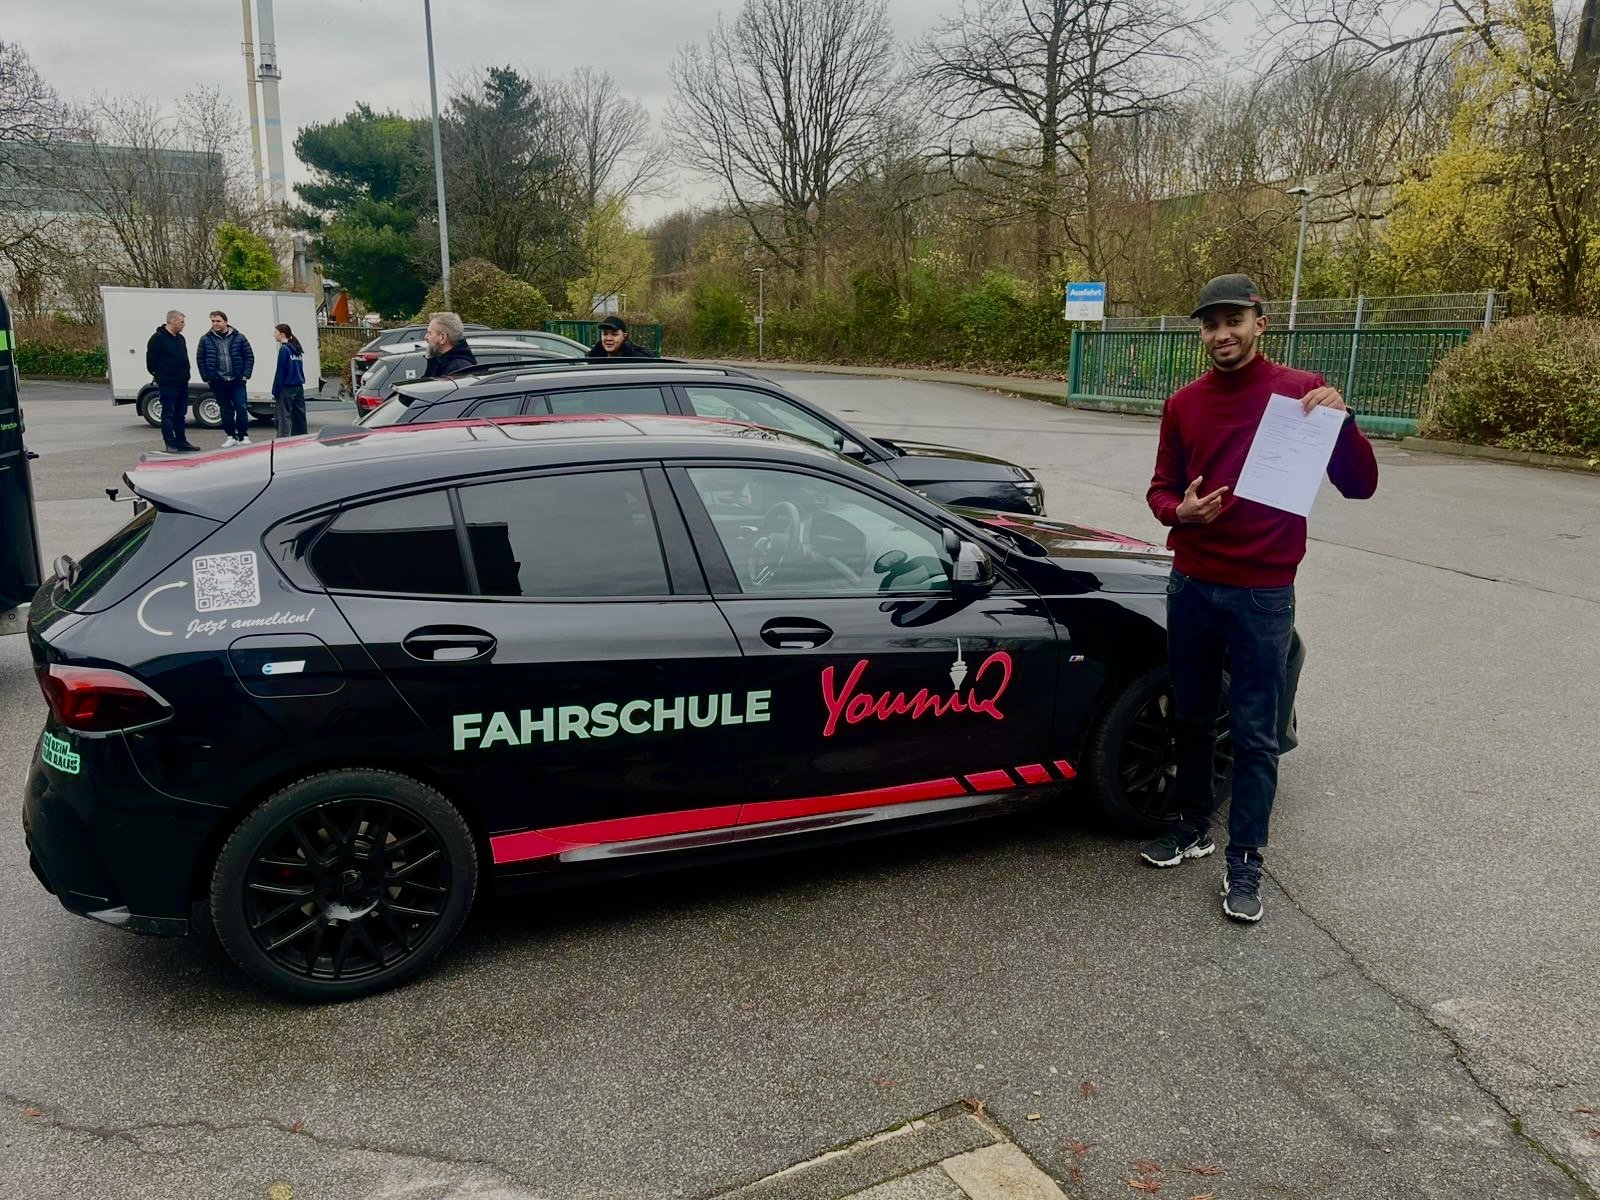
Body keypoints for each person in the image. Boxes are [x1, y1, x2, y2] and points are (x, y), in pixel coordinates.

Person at [1141, 273, 1378, 924]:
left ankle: (1245, 857)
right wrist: (1180, 512)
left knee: (1253, 732)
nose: (1222, 334)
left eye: (1233, 321)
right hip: (1192, 583)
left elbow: (1360, 485)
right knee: (1191, 715)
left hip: (1263, 593)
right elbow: (1160, 489)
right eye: (1210, 324)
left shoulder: (1302, 394)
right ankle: (1192, 825)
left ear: (1259, 323)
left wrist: (1343, 421)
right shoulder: (1184, 404)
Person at [196, 310, 255, 448]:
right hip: (218, 381)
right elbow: (200, 359)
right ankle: (231, 436)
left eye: (218, 321)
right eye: (213, 321)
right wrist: (207, 377)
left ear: (226, 322)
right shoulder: (205, 339)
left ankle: (243, 436)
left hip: (237, 380)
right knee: (225, 409)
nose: (215, 323)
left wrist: (245, 374)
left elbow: (249, 356)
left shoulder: (239, 337)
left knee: (241, 407)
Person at [145, 309, 199, 452]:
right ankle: (170, 442)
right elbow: (151, 362)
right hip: (167, 383)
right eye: (182, 322)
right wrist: (161, 375)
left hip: (182, 381)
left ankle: (181, 441)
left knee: (180, 414)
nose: (184, 325)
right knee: (168, 413)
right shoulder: (157, 338)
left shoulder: (180, 339)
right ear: (173, 321)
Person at [270, 323, 308, 437]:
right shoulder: (297, 349)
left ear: (282, 334)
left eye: (275, 332)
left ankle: (283, 439)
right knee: (299, 415)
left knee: (283, 416)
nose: (274, 335)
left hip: (287, 387)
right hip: (298, 386)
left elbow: (281, 371)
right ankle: (301, 437)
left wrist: (275, 390)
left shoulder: (284, 349)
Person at [421, 312, 478, 378]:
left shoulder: (459, 370)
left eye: (429, 333)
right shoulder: (438, 362)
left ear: (442, 337)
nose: (425, 337)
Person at [587, 315, 657, 359]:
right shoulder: (593, 359)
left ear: (624, 336)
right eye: (605, 334)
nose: (608, 338)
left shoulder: (639, 360)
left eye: (614, 334)